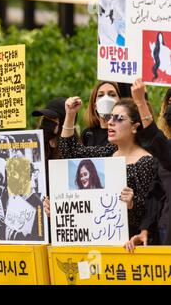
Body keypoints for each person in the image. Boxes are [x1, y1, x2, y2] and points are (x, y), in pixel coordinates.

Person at [59, 96, 159, 248]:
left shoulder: (146, 162)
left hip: (133, 248)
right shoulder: (109, 152)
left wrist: (132, 203)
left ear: (134, 127)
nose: (110, 122)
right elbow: (70, 153)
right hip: (102, 244)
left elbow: (152, 212)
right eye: (111, 117)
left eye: (119, 118)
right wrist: (70, 114)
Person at [131, 79, 171, 248]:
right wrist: (145, 228)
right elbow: (156, 191)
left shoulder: (164, 148)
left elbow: (159, 144)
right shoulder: (164, 148)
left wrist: (140, 102)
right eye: (170, 102)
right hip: (165, 229)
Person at [81, 81, 121, 147]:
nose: (106, 99)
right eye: (100, 95)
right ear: (95, 106)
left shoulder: (128, 132)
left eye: (112, 95)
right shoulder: (88, 134)